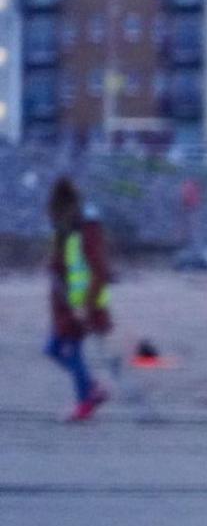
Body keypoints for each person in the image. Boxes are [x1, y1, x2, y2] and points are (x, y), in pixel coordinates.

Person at [44, 179, 114, 423]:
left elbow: (100, 271)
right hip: (66, 306)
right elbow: (60, 263)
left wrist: (86, 307)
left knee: (70, 351)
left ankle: (86, 400)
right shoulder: (65, 229)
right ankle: (93, 389)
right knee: (54, 349)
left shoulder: (87, 229)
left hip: (84, 306)